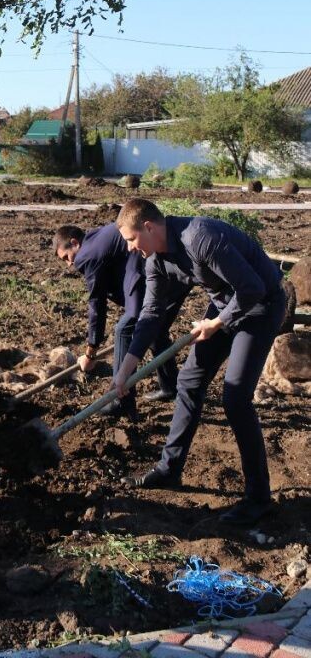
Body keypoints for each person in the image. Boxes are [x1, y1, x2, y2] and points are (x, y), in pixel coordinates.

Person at [114, 198, 285, 528]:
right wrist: (125, 371)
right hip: (225, 304)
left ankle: (259, 499)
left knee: (235, 397)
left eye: (131, 240)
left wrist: (216, 323)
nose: (131, 248)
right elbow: (150, 316)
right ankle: (169, 468)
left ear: (149, 227)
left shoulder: (200, 237)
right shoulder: (156, 261)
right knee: (189, 380)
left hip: (261, 305)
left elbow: (253, 287)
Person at [53, 223, 184, 417]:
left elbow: (97, 304)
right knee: (156, 331)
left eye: (66, 257)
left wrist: (91, 353)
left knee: (124, 328)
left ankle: (121, 401)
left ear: (74, 242)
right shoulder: (97, 238)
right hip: (172, 275)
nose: (70, 264)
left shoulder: (86, 255)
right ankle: (170, 386)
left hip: (149, 275)